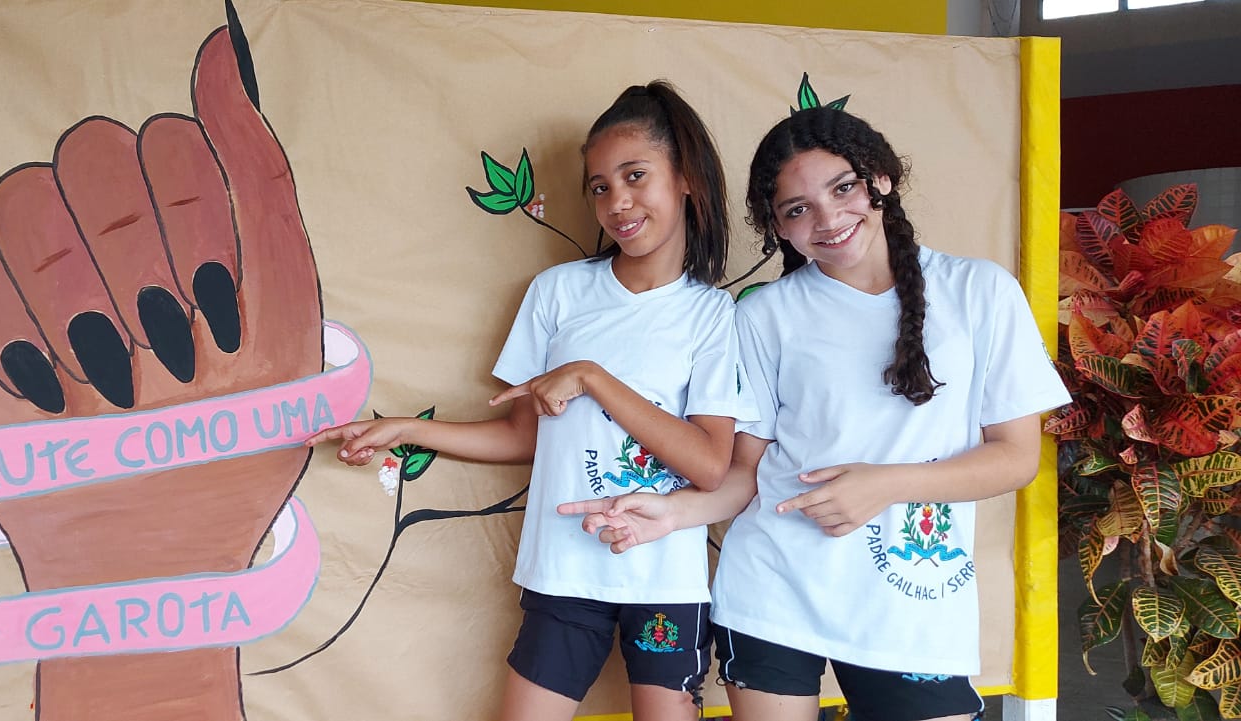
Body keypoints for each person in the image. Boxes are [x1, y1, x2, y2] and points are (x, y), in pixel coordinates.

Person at [560, 106, 1071, 721]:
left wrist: (885, 485)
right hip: (773, 593)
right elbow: (745, 475)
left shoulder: (980, 291)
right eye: (797, 209)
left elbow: (1016, 459)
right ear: (776, 226)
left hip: (913, 603)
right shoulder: (763, 314)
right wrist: (670, 514)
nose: (827, 220)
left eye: (843, 188)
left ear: (882, 179)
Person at [305, 81, 751, 721]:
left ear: (685, 179)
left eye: (635, 176)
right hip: (562, 570)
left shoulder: (714, 316)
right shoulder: (557, 293)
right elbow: (523, 437)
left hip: (666, 581)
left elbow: (710, 464)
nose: (617, 203)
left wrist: (592, 378)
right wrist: (406, 430)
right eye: (599, 187)